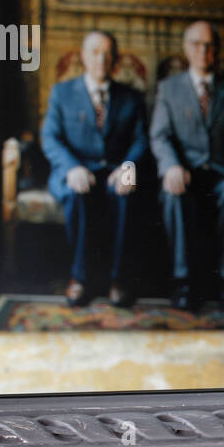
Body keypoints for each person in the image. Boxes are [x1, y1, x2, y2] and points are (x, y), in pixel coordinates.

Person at [150, 20, 224, 311]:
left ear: (217, 51)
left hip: (222, 174)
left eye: (209, 45)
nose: (203, 51)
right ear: (186, 48)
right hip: (186, 173)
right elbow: (159, 136)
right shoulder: (168, 89)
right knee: (172, 193)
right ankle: (184, 283)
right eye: (196, 44)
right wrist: (170, 166)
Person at [41, 30, 147, 308]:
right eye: (95, 52)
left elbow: (140, 140)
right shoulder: (62, 92)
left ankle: (118, 280)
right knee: (77, 195)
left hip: (114, 169)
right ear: (83, 57)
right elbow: (50, 137)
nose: (101, 59)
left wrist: (128, 166)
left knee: (127, 194)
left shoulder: (131, 97)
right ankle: (80, 278)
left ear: (115, 59)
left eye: (107, 53)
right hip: (74, 169)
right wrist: (71, 167)